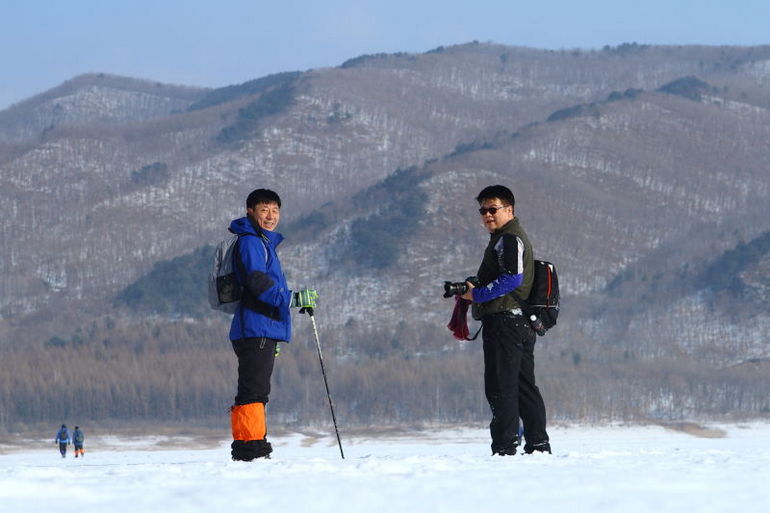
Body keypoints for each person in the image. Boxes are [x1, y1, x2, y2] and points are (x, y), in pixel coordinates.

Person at [227, 188, 318, 461]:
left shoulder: (262, 243)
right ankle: (251, 450)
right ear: (250, 211)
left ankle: (251, 446)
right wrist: (292, 298)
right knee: (254, 392)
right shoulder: (251, 242)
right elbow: (258, 283)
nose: (270, 215)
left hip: (261, 330)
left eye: (275, 210)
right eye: (264, 209)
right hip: (256, 328)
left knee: (256, 390)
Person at [460, 185, 551, 456]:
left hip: (505, 322)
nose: (487, 215)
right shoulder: (506, 237)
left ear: (509, 210)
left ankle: (505, 447)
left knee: (502, 385)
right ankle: (537, 444)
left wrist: (476, 294)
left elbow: (513, 278)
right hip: (519, 322)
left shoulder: (510, 238)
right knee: (524, 386)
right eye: (483, 210)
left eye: (493, 209)